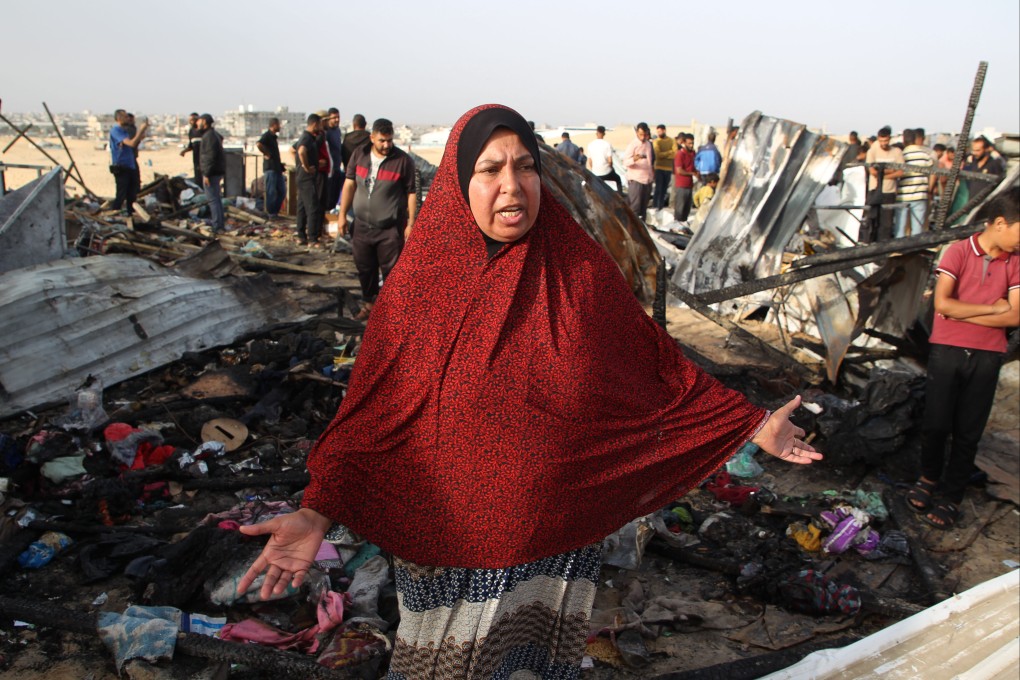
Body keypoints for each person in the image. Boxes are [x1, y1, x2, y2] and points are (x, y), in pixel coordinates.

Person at [237, 104, 821, 678]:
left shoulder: (579, 272)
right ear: (460, 182)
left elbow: (655, 372)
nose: (512, 185)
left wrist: (745, 422)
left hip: (554, 545)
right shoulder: (422, 283)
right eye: (490, 169)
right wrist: (317, 510)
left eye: (525, 166)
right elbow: (373, 411)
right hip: (447, 548)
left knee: (533, 668)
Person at [907, 189, 1019, 529]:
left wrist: (963, 313)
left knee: (969, 430)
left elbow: (1014, 317)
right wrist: (993, 309)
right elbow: (942, 304)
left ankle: (952, 494)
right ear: (1001, 223)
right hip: (947, 350)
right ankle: (928, 477)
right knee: (937, 423)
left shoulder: (1015, 263)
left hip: (987, 354)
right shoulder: (958, 252)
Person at [336, 117, 417, 319]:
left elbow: (412, 193)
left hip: (389, 228)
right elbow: (349, 185)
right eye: (382, 141)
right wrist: (342, 216)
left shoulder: (402, 161)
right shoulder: (359, 155)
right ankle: (369, 304)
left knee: (392, 271)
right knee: (365, 268)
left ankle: (389, 311)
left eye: (389, 140)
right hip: (362, 225)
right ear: (372, 138)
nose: (386, 145)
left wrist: (411, 223)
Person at [864, 126, 904, 242]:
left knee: (886, 223)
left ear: (889, 139)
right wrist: (891, 171)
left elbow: (901, 171)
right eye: (881, 141)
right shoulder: (872, 151)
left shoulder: (896, 152)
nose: (883, 143)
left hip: (889, 191)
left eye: (886, 141)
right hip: (874, 190)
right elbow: (872, 171)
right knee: (872, 220)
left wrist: (883, 174)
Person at [895, 128, 935, 237]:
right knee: (917, 226)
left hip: (903, 195)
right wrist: (929, 189)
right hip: (920, 194)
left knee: (900, 227)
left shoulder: (901, 155)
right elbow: (933, 173)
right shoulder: (925, 155)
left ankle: (898, 250)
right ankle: (914, 250)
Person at [108, 109, 148, 214]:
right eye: (125, 117)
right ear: (119, 118)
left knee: (132, 194)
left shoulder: (124, 131)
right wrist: (141, 130)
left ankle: (130, 215)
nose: (128, 119)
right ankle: (113, 213)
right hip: (122, 166)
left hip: (130, 165)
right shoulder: (116, 130)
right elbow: (131, 144)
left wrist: (142, 132)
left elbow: (135, 142)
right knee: (121, 194)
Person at [295, 113, 324, 246]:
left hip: (302, 178)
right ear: (314, 124)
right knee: (312, 207)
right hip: (306, 178)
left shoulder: (309, 137)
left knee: (301, 207)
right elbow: (301, 151)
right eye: (320, 124)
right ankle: (312, 239)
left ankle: (301, 235)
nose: (321, 127)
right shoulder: (306, 137)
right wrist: (306, 167)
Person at [197, 113, 226, 233]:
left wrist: (206, 174)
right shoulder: (213, 135)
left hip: (212, 173)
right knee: (216, 199)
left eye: (199, 121)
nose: (197, 123)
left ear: (204, 121)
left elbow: (210, 157)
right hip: (216, 171)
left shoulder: (209, 136)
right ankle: (219, 224)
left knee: (213, 200)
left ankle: (217, 226)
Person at [624, 122, 653, 220]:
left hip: (647, 180)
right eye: (641, 135)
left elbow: (649, 161)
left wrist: (652, 175)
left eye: (644, 135)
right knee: (635, 208)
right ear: (637, 133)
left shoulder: (648, 144)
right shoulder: (633, 145)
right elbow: (625, 162)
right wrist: (634, 159)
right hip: (636, 180)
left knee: (643, 209)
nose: (642, 137)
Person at [257, 117, 285, 217]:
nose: (280, 126)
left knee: (282, 192)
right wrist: (266, 153)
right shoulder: (267, 135)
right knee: (271, 192)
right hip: (270, 168)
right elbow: (259, 144)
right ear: (273, 125)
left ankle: (275, 212)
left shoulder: (273, 137)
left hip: (277, 168)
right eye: (278, 124)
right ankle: (271, 213)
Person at [586, 125, 621, 191]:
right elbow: (610, 161)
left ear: (596, 133)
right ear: (604, 134)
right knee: (617, 178)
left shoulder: (590, 145)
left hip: (595, 172)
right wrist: (611, 168)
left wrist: (593, 169)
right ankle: (620, 195)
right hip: (606, 172)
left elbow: (590, 161)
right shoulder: (607, 144)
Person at [652, 124, 677, 211]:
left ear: (664, 130)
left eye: (660, 131)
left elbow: (675, 153)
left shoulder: (672, 141)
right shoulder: (656, 142)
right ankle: (655, 207)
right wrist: (669, 153)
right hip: (659, 168)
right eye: (658, 131)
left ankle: (661, 207)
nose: (659, 133)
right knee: (658, 189)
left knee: (664, 190)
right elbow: (658, 155)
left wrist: (665, 154)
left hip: (668, 168)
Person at [673, 133, 696, 222]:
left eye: (692, 143)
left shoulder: (693, 153)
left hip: (689, 185)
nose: (691, 145)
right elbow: (679, 170)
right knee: (679, 210)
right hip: (681, 185)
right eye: (689, 143)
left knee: (686, 209)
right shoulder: (680, 154)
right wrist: (691, 173)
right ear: (684, 143)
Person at [325, 108, 344, 211]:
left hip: (337, 167)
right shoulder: (326, 132)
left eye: (338, 117)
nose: (337, 120)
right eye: (334, 118)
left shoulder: (337, 130)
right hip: (329, 170)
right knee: (329, 197)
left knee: (337, 195)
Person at [179, 112, 203, 184]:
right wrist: (184, 151)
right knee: (198, 177)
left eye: (192, 120)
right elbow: (191, 145)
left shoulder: (204, 130)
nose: (191, 122)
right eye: (190, 120)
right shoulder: (191, 131)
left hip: (205, 159)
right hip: (196, 159)